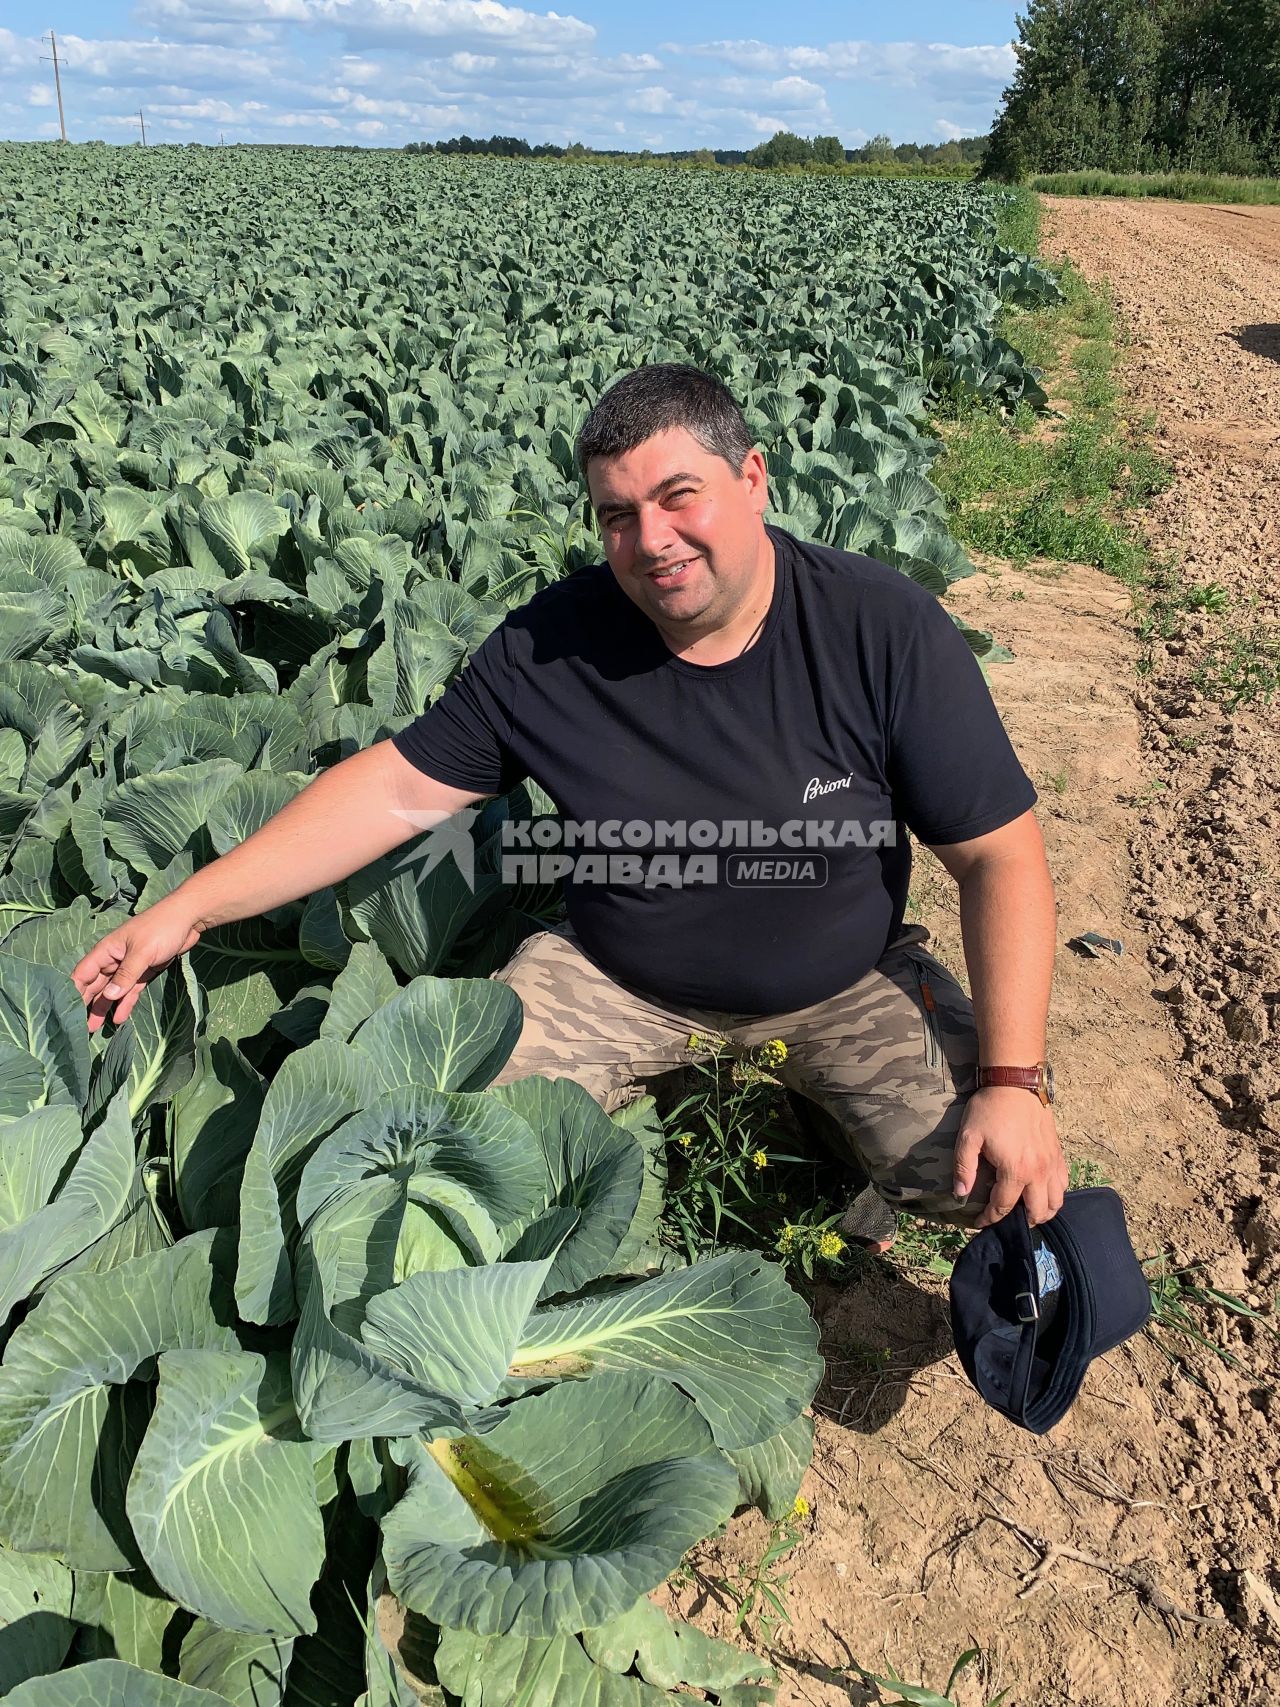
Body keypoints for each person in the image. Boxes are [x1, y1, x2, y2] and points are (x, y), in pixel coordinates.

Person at [73, 364, 1068, 1238]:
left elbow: (998, 858)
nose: (652, 541)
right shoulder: (554, 646)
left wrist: (1012, 1084)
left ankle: (822, 1110)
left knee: (983, 1173)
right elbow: (394, 787)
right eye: (617, 515)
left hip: (838, 982)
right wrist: (185, 909)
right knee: (450, 1170)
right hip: (616, 982)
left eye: (679, 497)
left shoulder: (877, 628)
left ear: (753, 478)